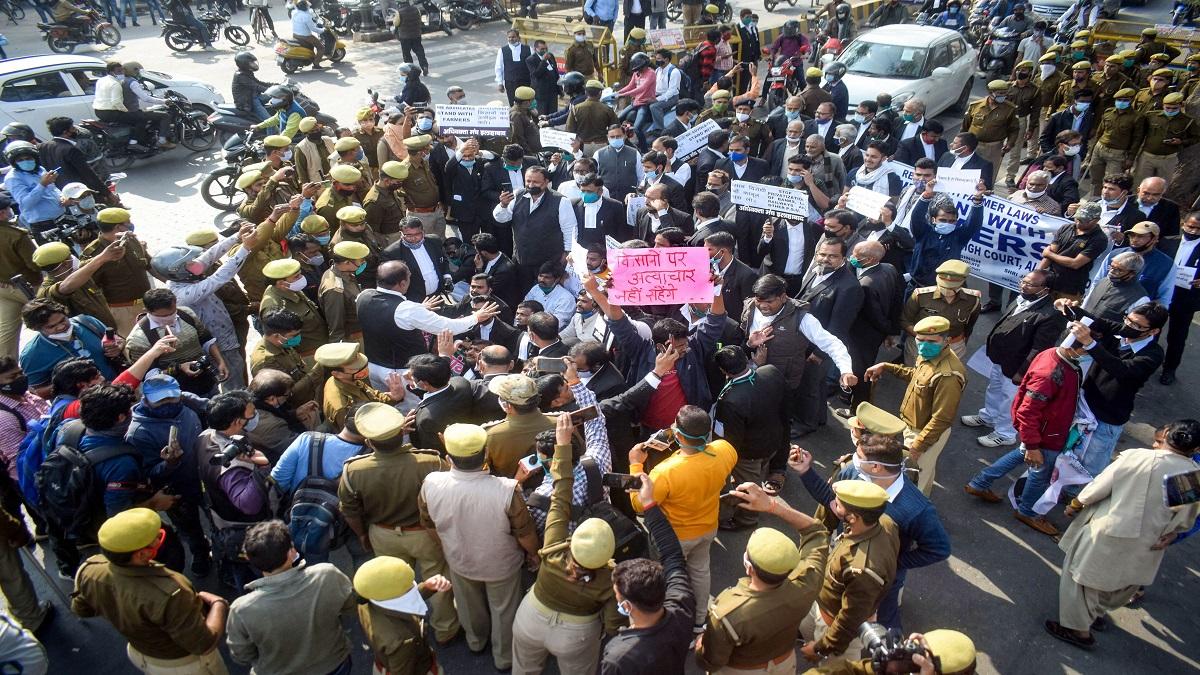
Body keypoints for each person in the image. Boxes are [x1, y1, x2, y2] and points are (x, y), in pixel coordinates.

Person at [1047, 419, 1200, 650]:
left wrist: (1077, 503)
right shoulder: (1192, 475)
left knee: (1079, 577)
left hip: (1109, 530)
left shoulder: (1138, 457)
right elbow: (1184, 518)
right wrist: (1173, 535)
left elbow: (1101, 486)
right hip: (1151, 541)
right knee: (1120, 582)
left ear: (1166, 433)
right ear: (1195, 450)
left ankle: (1078, 630)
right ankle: (1094, 613)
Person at [418, 423, 539, 671]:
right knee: (504, 611)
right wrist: (533, 554)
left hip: (459, 560)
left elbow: (428, 522)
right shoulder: (506, 489)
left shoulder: (431, 482)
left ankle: (475, 642)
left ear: (448, 458)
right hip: (502, 565)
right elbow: (525, 532)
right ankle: (504, 657)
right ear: (485, 455)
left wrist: (445, 545)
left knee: (468, 606)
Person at [338, 402, 460, 643]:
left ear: (369, 442)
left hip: (382, 534)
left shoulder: (353, 470)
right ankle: (446, 629)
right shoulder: (430, 461)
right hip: (425, 533)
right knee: (437, 580)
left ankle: (403, 632)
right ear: (402, 432)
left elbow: (350, 510)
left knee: (392, 586)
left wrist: (362, 535)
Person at [511, 413, 621, 675]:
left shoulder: (551, 544)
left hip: (530, 619)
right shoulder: (611, 578)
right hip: (578, 635)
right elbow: (614, 621)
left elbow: (559, 500)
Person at [71, 508, 229, 673]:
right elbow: (204, 645)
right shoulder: (171, 592)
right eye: (158, 537)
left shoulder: (89, 570)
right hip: (184, 665)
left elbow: (81, 609)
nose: (161, 537)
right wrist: (219, 604)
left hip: (140, 655)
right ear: (142, 554)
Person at [696, 482, 830, 673]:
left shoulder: (727, 612)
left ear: (748, 566)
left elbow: (711, 660)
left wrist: (701, 644)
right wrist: (773, 506)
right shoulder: (808, 581)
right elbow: (816, 532)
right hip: (785, 664)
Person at [629, 405, 737, 630]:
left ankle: (670, 623)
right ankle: (699, 621)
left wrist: (635, 465)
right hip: (707, 528)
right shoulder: (725, 449)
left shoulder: (666, 471)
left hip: (674, 538)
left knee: (667, 579)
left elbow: (640, 503)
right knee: (700, 572)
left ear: (677, 435)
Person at [225, 520, 356, 674]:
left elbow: (242, 655)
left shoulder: (241, 610)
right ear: (291, 552)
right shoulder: (327, 574)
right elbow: (350, 607)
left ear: (248, 558)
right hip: (334, 664)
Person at [599, 473, 693, 674]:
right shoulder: (682, 606)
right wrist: (649, 503)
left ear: (626, 606)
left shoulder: (619, 656)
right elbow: (672, 554)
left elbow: (672, 555)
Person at [863, 316, 966, 496]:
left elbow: (941, 418)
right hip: (913, 427)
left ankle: (908, 519)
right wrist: (887, 366)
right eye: (920, 339)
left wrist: (918, 446)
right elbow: (916, 375)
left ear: (946, 340)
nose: (924, 345)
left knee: (914, 480)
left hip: (925, 433)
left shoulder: (948, 375)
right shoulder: (930, 355)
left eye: (931, 341)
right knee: (924, 473)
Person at [801, 480, 900, 662]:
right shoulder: (885, 523)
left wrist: (820, 648)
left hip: (833, 630)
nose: (833, 505)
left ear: (854, 517)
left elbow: (849, 620)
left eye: (837, 505)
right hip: (822, 607)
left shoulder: (862, 569)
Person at [711, 347, 787, 532]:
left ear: (724, 371)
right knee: (759, 471)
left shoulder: (731, 399)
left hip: (748, 453)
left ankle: (747, 519)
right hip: (774, 440)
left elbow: (728, 437)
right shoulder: (770, 372)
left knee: (747, 487)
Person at [354, 556, 450, 673]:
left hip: (383, 663)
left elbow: (400, 600)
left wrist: (426, 587)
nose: (413, 587)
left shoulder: (366, 600)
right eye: (409, 588)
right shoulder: (402, 640)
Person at [900, 259, 980, 363]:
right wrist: (925, 338)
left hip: (953, 346)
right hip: (922, 345)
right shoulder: (921, 295)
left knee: (947, 377)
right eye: (943, 286)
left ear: (962, 282)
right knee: (915, 375)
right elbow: (905, 320)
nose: (947, 291)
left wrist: (960, 341)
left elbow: (969, 325)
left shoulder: (973, 300)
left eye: (952, 288)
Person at [1038, 200, 1109, 301]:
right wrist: (1037, 274)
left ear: (1096, 220)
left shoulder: (1099, 239)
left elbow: (1075, 263)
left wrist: (1049, 254)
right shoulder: (1065, 228)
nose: (1078, 222)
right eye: (1077, 218)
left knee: (1062, 315)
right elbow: (1049, 255)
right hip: (1050, 282)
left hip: (1070, 288)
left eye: (1083, 220)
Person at [1162, 212, 1200, 385]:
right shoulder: (1168, 241)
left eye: (1198, 229)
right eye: (1191, 226)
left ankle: (1170, 369)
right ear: (1184, 224)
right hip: (1162, 293)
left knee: (1177, 337)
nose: (1193, 231)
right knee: (1150, 330)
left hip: (1186, 299)